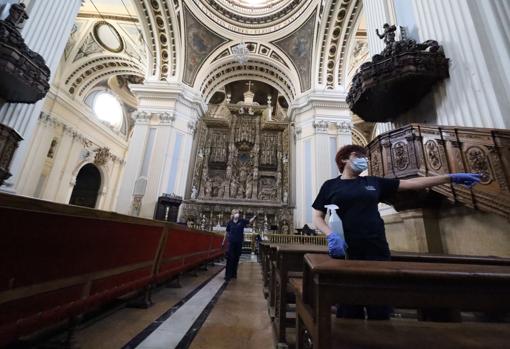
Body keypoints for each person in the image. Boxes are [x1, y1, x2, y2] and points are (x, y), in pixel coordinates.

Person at [312, 144, 481, 320]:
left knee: (379, 304)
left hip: (375, 248)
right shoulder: (330, 186)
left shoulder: (373, 182)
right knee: (348, 306)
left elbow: (412, 183)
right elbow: (317, 217)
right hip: (345, 250)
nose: (363, 159)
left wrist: (450, 178)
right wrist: (330, 234)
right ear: (344, 159)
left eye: (364, 156)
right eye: (357, 155)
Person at [222, 210, 257, 281]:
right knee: (230, 258)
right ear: (232, 214)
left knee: (236, 258)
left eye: (237, 213)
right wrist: (223, 241)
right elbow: (227, 232)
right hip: (231, 242)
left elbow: (249, 221)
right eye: (235, 213)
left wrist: (254, 217)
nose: (237, 214)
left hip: (239, 242)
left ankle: (234, 274)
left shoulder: (242, 221)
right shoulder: (230, 222)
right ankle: (227, 275)